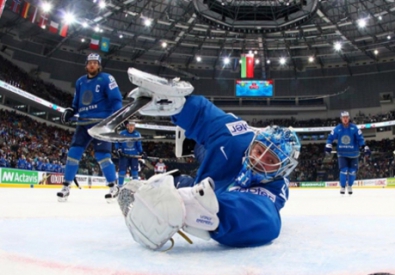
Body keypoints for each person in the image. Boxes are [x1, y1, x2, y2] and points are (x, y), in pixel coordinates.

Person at [115, 68, 301, 250]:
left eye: (270, 160)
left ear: (283, 169)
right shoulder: (238, 137)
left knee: (179, 185)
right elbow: (209, 117)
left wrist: (203, 210)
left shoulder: (276, 187)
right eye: (259, 150)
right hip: (214, 160)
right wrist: (179, 105)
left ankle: (182, 193)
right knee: (207, 148)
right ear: (253, 143)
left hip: (212, 190)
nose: (259, 160)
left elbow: (263, 216)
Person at [57, 53, 123, 202]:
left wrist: (119, 116)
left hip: (101, 123)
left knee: (103, 156)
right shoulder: (80, 82)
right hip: (83, 123)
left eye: (95, 62)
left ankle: (113, 187)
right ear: (86, 65)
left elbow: (116, 99)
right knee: (73, 153)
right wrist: (70, 111)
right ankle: (66, 187)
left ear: (99, 65)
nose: (92, 65)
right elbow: (76, 104)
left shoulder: (107, 78)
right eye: (90, 63)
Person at [325, 111, 368, 195]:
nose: (345, 119)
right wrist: (328, 145)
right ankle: (342, 186)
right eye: (343, 117)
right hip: (342, 153)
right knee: (343, 170)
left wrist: (364, 147)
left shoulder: (354, 128)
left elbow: (360, 139)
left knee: (352, 171)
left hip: (354, 153)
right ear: (341, 119)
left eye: (346, 117)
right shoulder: (337, 128)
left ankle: (350, 186)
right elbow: (330, 137)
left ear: (348, 118)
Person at [114, 120, 143, 186]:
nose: (131, 127)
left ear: (134, 127)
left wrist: (142, 152)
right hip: (124, 156)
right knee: (122, 172)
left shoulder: (137, 134)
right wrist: (118, 149)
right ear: (127, 126)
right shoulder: (122, 133)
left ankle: (135, 187)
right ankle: (120, 186)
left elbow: (139, 145)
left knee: (135, 172)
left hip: (134, 156)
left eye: (133, 126)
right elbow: (117, 143)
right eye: (130, 125)